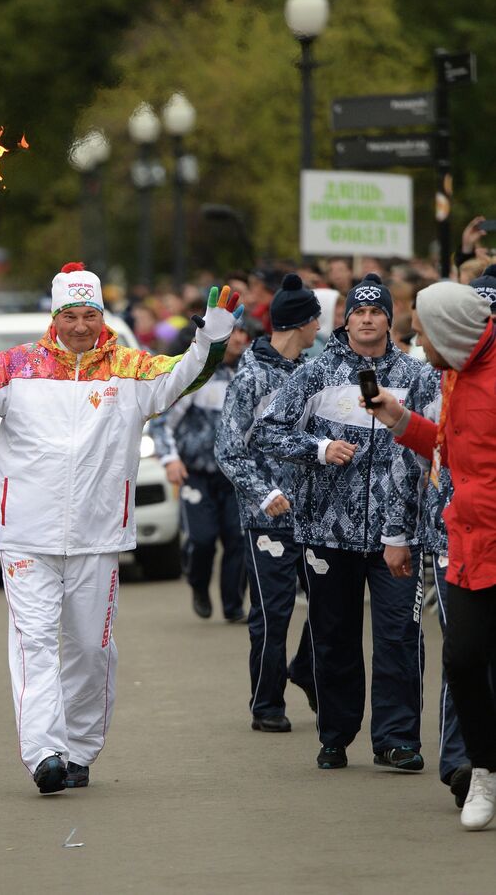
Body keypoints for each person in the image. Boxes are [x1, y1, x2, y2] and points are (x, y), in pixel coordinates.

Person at [0, 263, 243, 795]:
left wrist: (210, 337)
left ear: (101, 315)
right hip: (26, 533)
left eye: (89, 314)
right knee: (35, 644)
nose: (79, 325)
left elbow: (184, 374)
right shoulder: (18, 365)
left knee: (90, 649)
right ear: (55, 316)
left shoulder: (127, 368)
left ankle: (79, 749)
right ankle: (45, 753)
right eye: (70, 315)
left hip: (98, 535)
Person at [251, 273, 424, 771]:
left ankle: (396, 739)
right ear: (344, 320)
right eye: (359, 312)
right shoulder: (316, 374)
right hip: (328, 533)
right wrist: (319, 449)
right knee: (334, 636)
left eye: (377, 312)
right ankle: (335, 733)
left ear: (391, 319)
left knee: (398, 636)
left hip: (399, 534)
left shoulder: (415, 376)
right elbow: (265, 433)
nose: (367, 319)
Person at [363, 281, 496, 831]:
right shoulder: (453, 372)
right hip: (467, 546)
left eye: (421, 334)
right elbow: (445, 445)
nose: (416, 344)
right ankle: (484, 772)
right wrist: (397, 417)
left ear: (451, 334)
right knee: (463, 662)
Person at [215, 275, 319, 732]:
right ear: (304, 323)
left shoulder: (313, 372)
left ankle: (305, 669)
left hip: (318, 516)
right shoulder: (252, 377)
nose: (321, 327)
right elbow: (228, 448)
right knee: (273, 612)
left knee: (330, 608)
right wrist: (265, 493)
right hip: (269, 519)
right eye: (317, 319)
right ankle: (267, 703)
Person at [382, 364, 471, 806]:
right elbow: (412, 458)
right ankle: (460, 763)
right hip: (449, 538)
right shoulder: (430, 380)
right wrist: (397, 534)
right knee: (464, 651)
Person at [150, 320, 251, 622]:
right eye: (234, 332)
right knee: (203, 538)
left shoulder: (251, 374)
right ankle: (198, 585)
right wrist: (171, 459)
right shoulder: (199, 376)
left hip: (236, 474)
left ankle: (233, 606)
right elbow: (161, 421)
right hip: (197, 472)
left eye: (245, 332)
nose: (240, 338)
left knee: (237, 539)